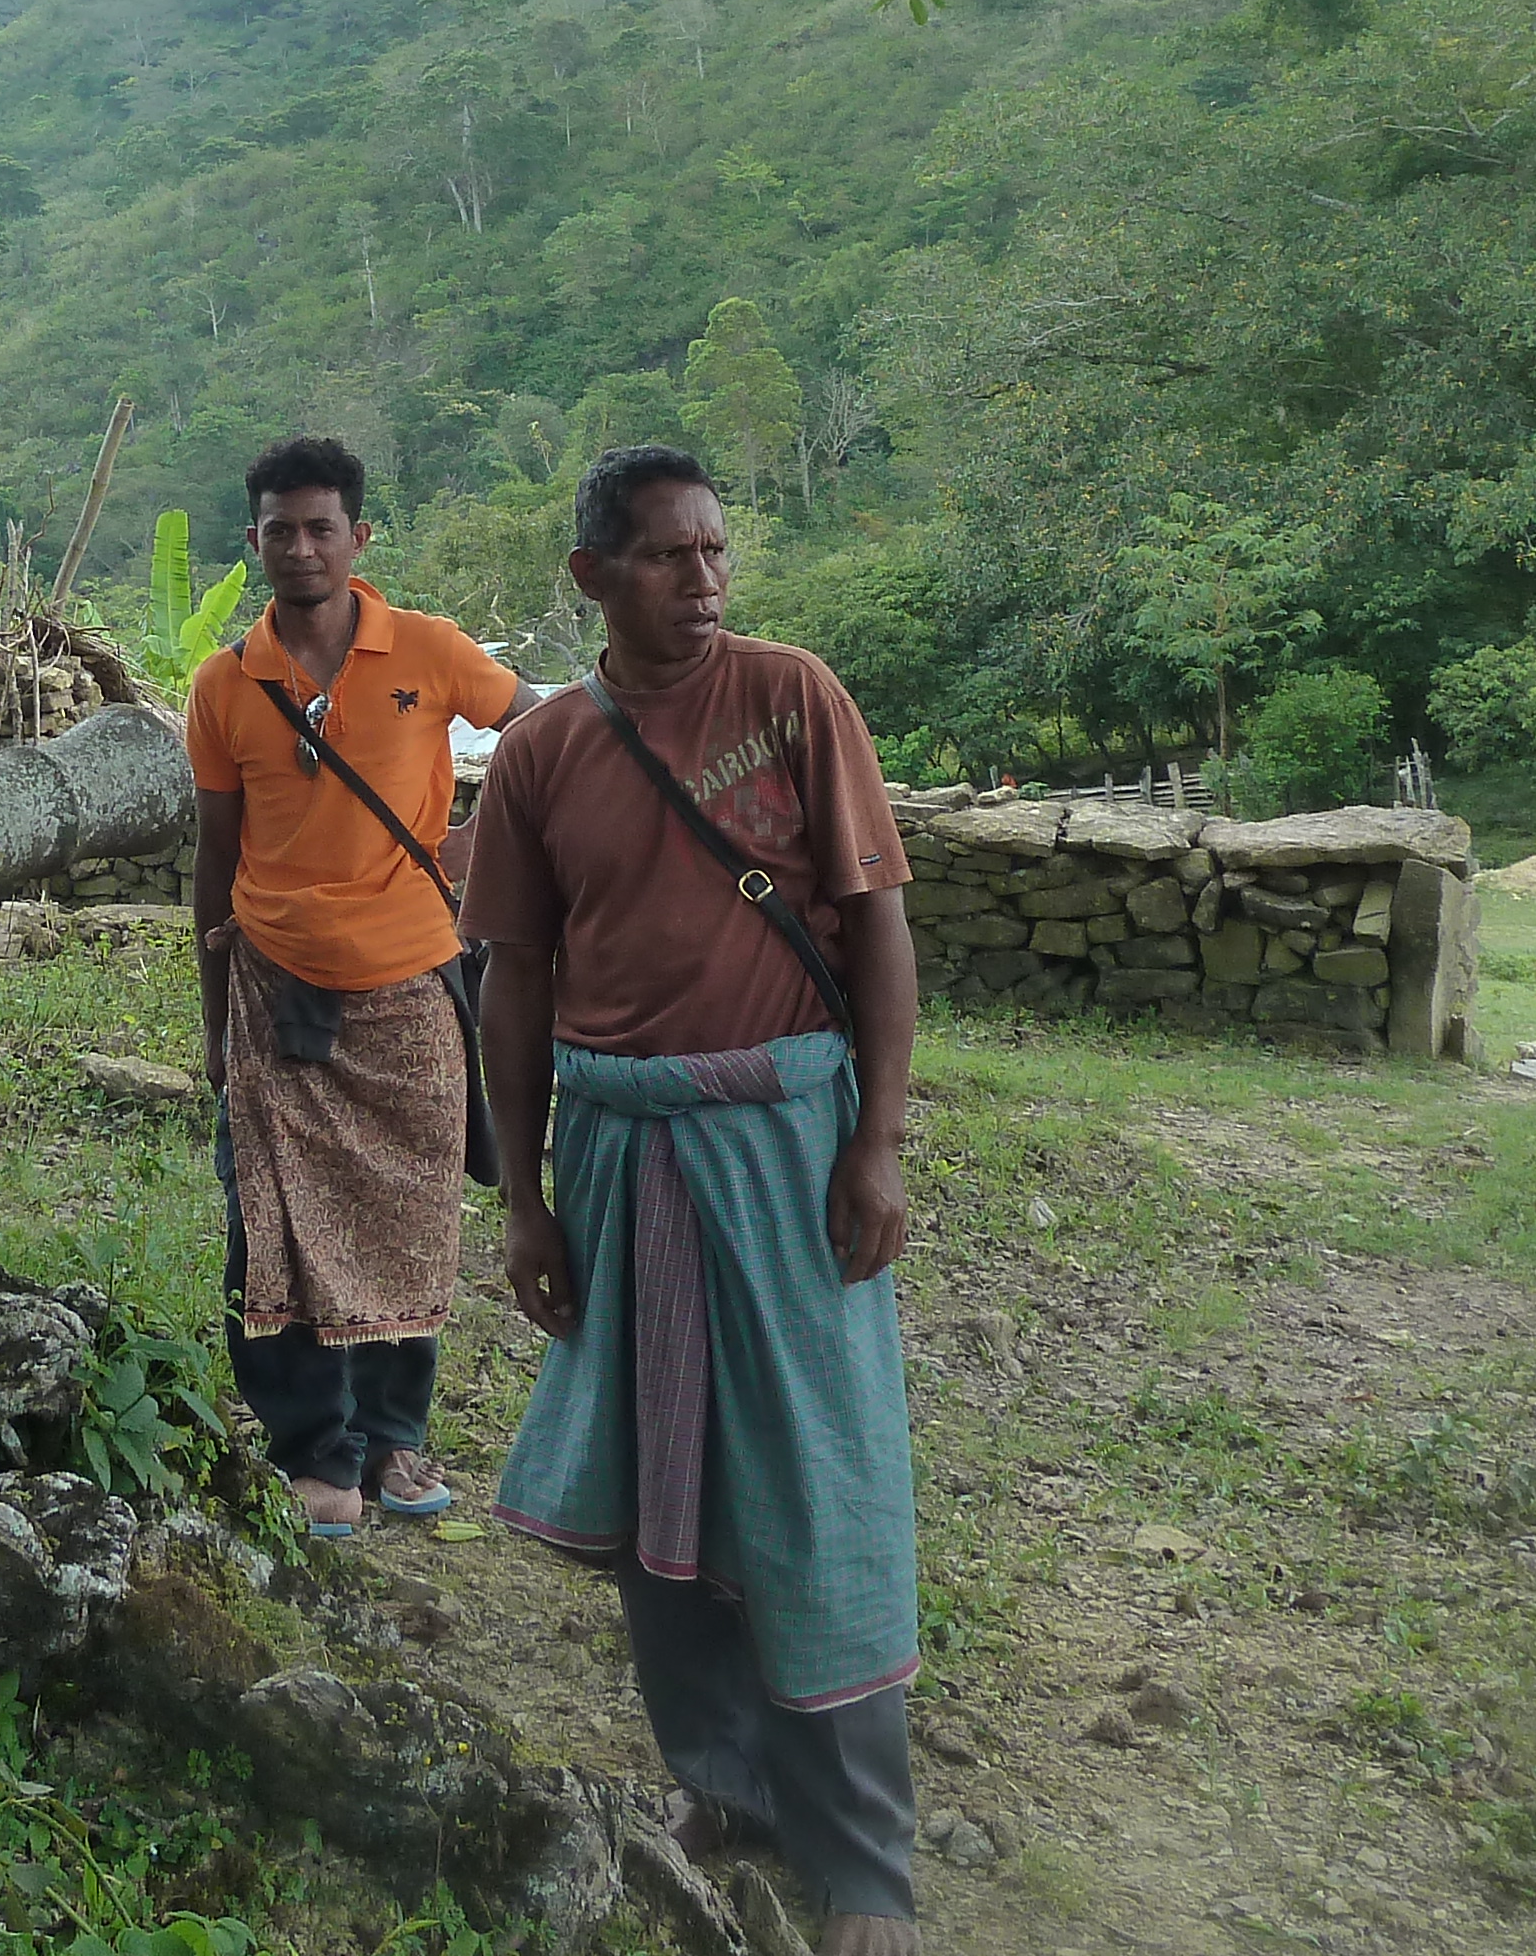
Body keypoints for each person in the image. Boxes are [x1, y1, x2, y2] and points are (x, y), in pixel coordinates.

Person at [463, 444, 924, 1956]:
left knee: (816, 1482)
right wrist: (524, 1198)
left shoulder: (794, 699)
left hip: (784, 1141)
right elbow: (515, 981)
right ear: (592, 576)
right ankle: (721, 1785)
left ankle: (862, 1864)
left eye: (717, 551)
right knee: (660, 1476)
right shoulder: (540, 757)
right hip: (618, 1155)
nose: (706, 581)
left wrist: (875, 1145)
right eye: (669, 556)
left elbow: (876, 927)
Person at [187, 436, 529, 1536]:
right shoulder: (225, 684)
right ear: (254, 541)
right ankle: (313, 1449)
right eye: (279, 529)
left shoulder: (429, 649)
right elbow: (216, 855)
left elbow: (547, 727)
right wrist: (211, 1024)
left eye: (320, 527)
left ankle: (392, 1440)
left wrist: (480, 848)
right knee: (270, 1221)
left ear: (358, 537)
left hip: (412, 978)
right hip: (274, 985)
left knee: (409, 1212)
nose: (301, 547)